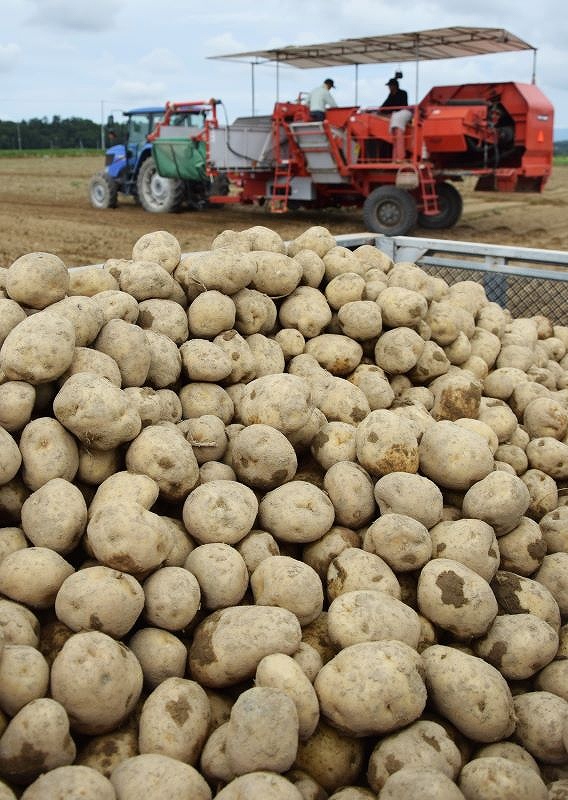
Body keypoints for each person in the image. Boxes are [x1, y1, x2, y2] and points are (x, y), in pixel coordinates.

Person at [381, 76, 412, 161]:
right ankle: (396, 157)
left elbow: (402, 106)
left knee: (398, 134)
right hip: (396, 116)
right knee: (395, 136)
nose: (389, 88)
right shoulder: (390, 95)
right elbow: (383, 107)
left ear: (394, 86)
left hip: (401, 115)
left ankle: (400, 157)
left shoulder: (403, 93)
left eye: (390, 86)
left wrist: (390, 112)